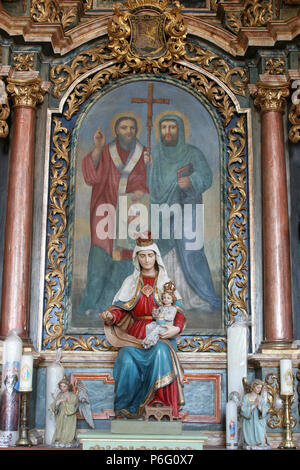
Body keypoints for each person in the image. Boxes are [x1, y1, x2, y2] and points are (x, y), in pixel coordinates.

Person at [99, 231, 186, 419]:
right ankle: (126, 407)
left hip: (159, 334)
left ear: (156, 257)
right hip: (134, 335)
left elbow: (179, 312)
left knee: (161, 352)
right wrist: (110, 317)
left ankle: (160, 402)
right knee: (125, 357)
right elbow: (120, 309)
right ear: (136, 258)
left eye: (150, 255)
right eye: (142, 255)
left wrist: (176, 328)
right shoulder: (130, 282)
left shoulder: (166, 283)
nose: (146, 260)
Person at [146, 114, 220, 311]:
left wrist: (191, 181)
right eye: (164, 127)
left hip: (187, 208)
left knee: (190, 251)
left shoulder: (192, 153)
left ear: (180, 129)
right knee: (163, 252)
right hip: (163, 210)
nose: (168, 131)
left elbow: (206, 176)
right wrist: (148, 167)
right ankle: (163, 297)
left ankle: (198, 297)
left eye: (172, 127)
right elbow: (150, 186)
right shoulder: (157, 155)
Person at [77, 115, 149, 316]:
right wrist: (98, 148)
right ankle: (91, 301)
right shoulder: (107, 151)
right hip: (105, 208)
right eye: (124, 127)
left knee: (126, 256)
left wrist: (142, 189)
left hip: (131, 211)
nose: (128, 131)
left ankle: (117, 303)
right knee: (100, 253)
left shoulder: (143, 153)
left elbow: (147, 180)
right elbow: (92, 177)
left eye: (132, 128)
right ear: (117, 130)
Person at [142, 280, 178, 349]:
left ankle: (149, 341)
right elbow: (156, 317)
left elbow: (171, 317)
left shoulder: (173, 309)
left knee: (157, 329)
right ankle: (149, 339)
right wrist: (155, 313)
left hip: (166, 325)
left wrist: (163, 316)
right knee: (149, 326)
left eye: (168, 298)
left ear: (172, 300)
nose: (166, 299)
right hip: (158, 323)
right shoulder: (161, 307)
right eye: (164, 298)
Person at [241, 379, 270, 449]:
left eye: (260, 388)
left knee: (260, 434)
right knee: (250, 435)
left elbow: (265, 409)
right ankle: (251, 443)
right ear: (253, 387)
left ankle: (260, 442)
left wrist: (259, 407)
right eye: (257, 387)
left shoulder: (261, 398)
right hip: (249, 422)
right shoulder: (246, 397)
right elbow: (243, 409)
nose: (259, 389)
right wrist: (254, 405)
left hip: (259, 421)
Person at [50, 377, 79, 448]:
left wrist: (65, 402)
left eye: (64, 386)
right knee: (60, 427)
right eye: (61, 386)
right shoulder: (59, 395)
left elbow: (73, 407)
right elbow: (54, 405)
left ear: (68, 387)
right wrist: (58, 402)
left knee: (68, 428)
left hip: (69, 416)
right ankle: (59, 439)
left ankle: (69, 440)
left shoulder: (73, 396)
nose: (62, 388)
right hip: (60, 414)